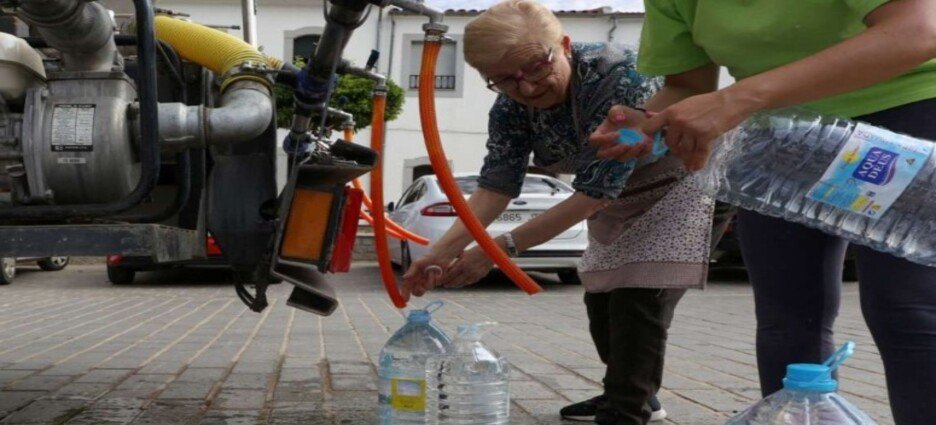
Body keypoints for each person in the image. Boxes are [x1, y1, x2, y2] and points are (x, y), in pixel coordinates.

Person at [590, 1, 936, 423]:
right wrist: (649, 121)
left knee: (906, 308)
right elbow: (689, 84)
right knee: (787, 319)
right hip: (779, 133)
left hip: (906, 113)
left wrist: (738, 98)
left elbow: (919, 30)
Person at [400, 1, 730, 423]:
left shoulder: (617, 77)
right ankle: (628, 393)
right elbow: (495, 188)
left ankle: (626, 409)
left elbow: (592, 194)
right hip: (623, 192)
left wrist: (498, 249)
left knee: (639, 297)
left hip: (686, 182)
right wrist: (438, 252)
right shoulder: (510, 106)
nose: (528, 89)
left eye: (536, 68)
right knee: (601, 299)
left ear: (565, 45)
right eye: (503, 80)